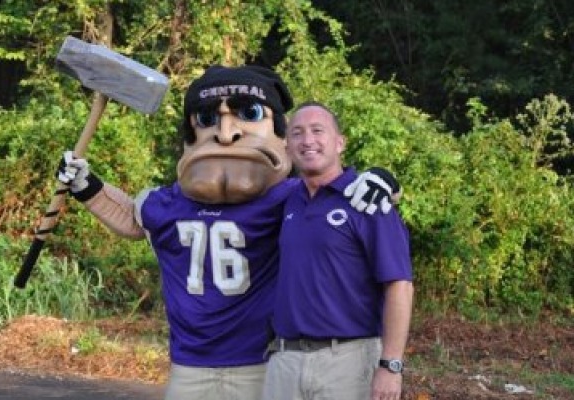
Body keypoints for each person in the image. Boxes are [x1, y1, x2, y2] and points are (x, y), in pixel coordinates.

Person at [57, 66, 400, 400]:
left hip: (260, 361)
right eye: (207, 120)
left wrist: (382, 180)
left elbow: (333, 192)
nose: (225, 134)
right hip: (190, 364)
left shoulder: (284, 198)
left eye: (249, 114)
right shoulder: (169, 203)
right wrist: (86, 185)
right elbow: (132, 217)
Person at [262, 101, 414, 400]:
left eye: (318, 131)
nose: (308, 140)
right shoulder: (286, 200)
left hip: (347, 361)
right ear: (287, 146)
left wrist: (391, 365)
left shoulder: (368, 200)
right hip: (285, 360)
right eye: (297, 133)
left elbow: (400, 286)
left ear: (340, 142)